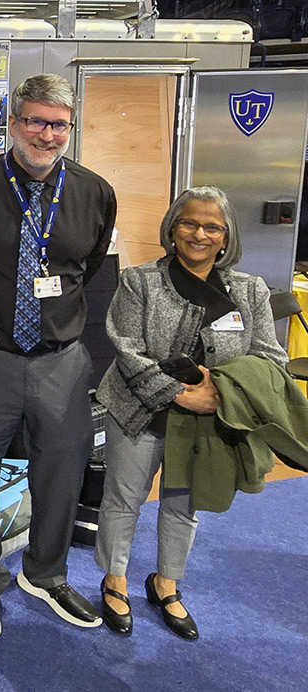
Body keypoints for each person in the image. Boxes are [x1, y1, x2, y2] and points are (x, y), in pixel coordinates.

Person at [0, 73, 116, 639]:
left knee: (61, 469)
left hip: (62, 361)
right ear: (13, 123)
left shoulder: (95, 192)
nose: (47, 135)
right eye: (35, 122)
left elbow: (88, 266)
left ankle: (45, 573)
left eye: (58, 125)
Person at [95, 186, 287, 639]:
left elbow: (269, 359)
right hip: (138, 411)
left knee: (183, 506)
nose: (199, 233)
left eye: (212, 227)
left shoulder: (250, 290)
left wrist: (216, 393)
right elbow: (125, 348)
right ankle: (114, 578)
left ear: (226, 237)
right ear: (173, 228)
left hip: (207, 420)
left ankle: (166, 583)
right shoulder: (140, 281)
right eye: (189, 223)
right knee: (123, 501)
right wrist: (179, 393)